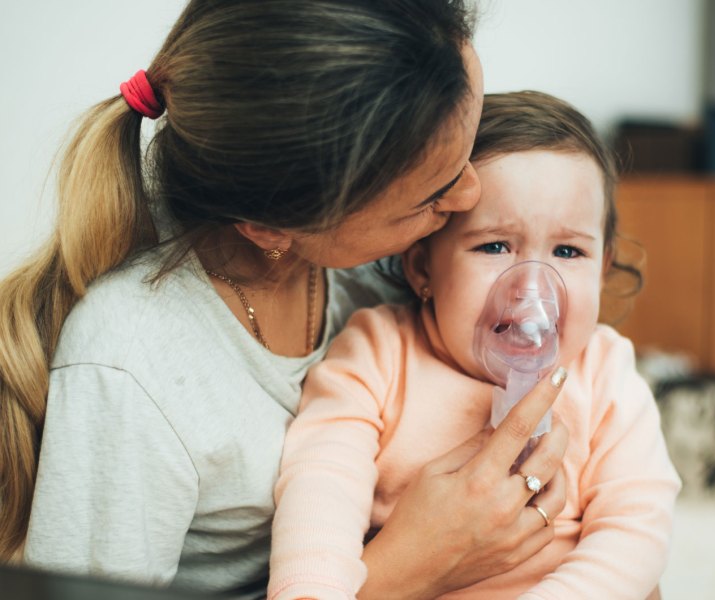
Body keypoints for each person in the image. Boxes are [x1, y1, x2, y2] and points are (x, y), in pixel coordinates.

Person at [0, 2, 572, 599]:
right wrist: (408, 569)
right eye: (432, 193)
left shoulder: (387, 268)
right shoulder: (133, 366)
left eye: (467, 149)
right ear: (271, 229)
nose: (471, 195)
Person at [268, 91, 681, 600]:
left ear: (603, 264)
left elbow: (636, 528)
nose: (532, 287)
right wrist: (311, 588)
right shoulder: (378, 352)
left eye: (568, 251)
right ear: (422, 266)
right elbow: (320, 485)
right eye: (495, 246)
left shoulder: (605, 370)